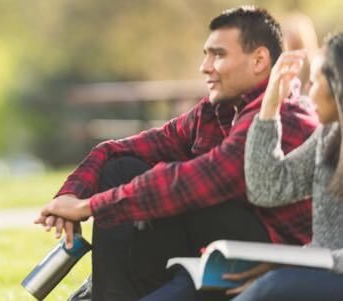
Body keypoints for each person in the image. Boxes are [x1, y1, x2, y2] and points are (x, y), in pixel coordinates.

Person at [36, 6, 318, 301]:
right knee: (121, 168)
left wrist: (89, 207)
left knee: (182, 193)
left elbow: (196, 181)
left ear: (259, 59)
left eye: (218, 55)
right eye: (206, 54)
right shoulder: (213, 112)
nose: (205, 66)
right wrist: (69, 196)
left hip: (273, 258)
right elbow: (114, 150)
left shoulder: (284, 114)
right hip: (211, 243)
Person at [227, 32, 343, 301]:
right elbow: (268, 188)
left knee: (272, 287)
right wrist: (271, 104)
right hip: (323, 271)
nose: (306, 90)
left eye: (314, 82)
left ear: (337, 87)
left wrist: (299, 263)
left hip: (329, 275)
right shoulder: (330, 136)